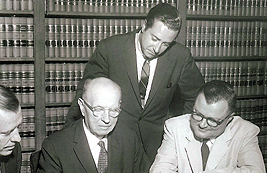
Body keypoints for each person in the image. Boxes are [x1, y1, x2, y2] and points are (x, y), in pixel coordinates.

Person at [64, 3, 205, 162]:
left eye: (166, 44)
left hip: (156, 146)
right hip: (115, 141)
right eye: (154, 38)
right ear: (144, 25)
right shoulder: (110, 49)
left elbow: (197, 97)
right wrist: (69, 139)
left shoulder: (180, 56)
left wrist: (178, 131)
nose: (157, 48)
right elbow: (86, 94)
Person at [32, 77, 151, 173]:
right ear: (82, 107)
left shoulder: (129, 137)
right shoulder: (55, 145)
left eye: (114, 111)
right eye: (98, 110)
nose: (107, 120)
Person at [149, 80, 266, 173]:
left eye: (212, 121)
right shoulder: (175, 127)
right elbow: (160, 167)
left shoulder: (245, 131)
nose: (202, 124)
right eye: (197, 114)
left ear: (229, 119)